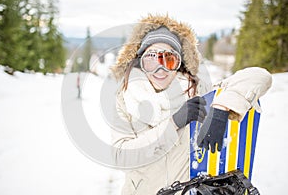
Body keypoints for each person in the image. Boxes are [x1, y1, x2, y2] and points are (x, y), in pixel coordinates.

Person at [110, 14, 272, 195]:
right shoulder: (125, 99)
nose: (160, 69)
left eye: (169, 60)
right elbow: (120, 157)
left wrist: (221, 108)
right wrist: (173, 124)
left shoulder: (198, 94)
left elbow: (260, 76)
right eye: (151, 60)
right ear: (140, 62)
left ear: (179, 65)